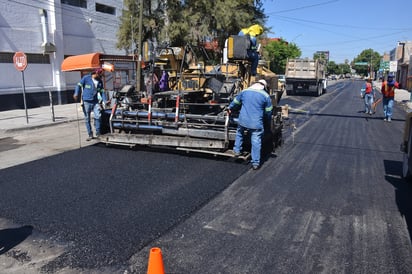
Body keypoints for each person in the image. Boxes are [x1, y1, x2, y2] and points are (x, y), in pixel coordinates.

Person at [227, 79, 273, 170]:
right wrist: (267, 122)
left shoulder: (244, 91)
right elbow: (268, 112)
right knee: (256, 141)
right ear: (264, 86)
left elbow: (235, 103)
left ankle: (236, 150)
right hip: (256, 123)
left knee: (239, 133)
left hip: (242, 120)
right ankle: (255, 163)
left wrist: (229, 108)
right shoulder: (266, 96)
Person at [73, 68, 106, 141]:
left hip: (95, 101)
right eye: (100, 75)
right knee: (87, 118)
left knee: (98, 116)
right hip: (86, 101)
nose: (101, 76)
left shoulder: (100, 81)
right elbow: (78, 85)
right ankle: (90, 134)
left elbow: (101, 91)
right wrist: (76, 93)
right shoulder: (86, 78)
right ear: (96, 73)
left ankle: (98, 133)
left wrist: (105, 100)